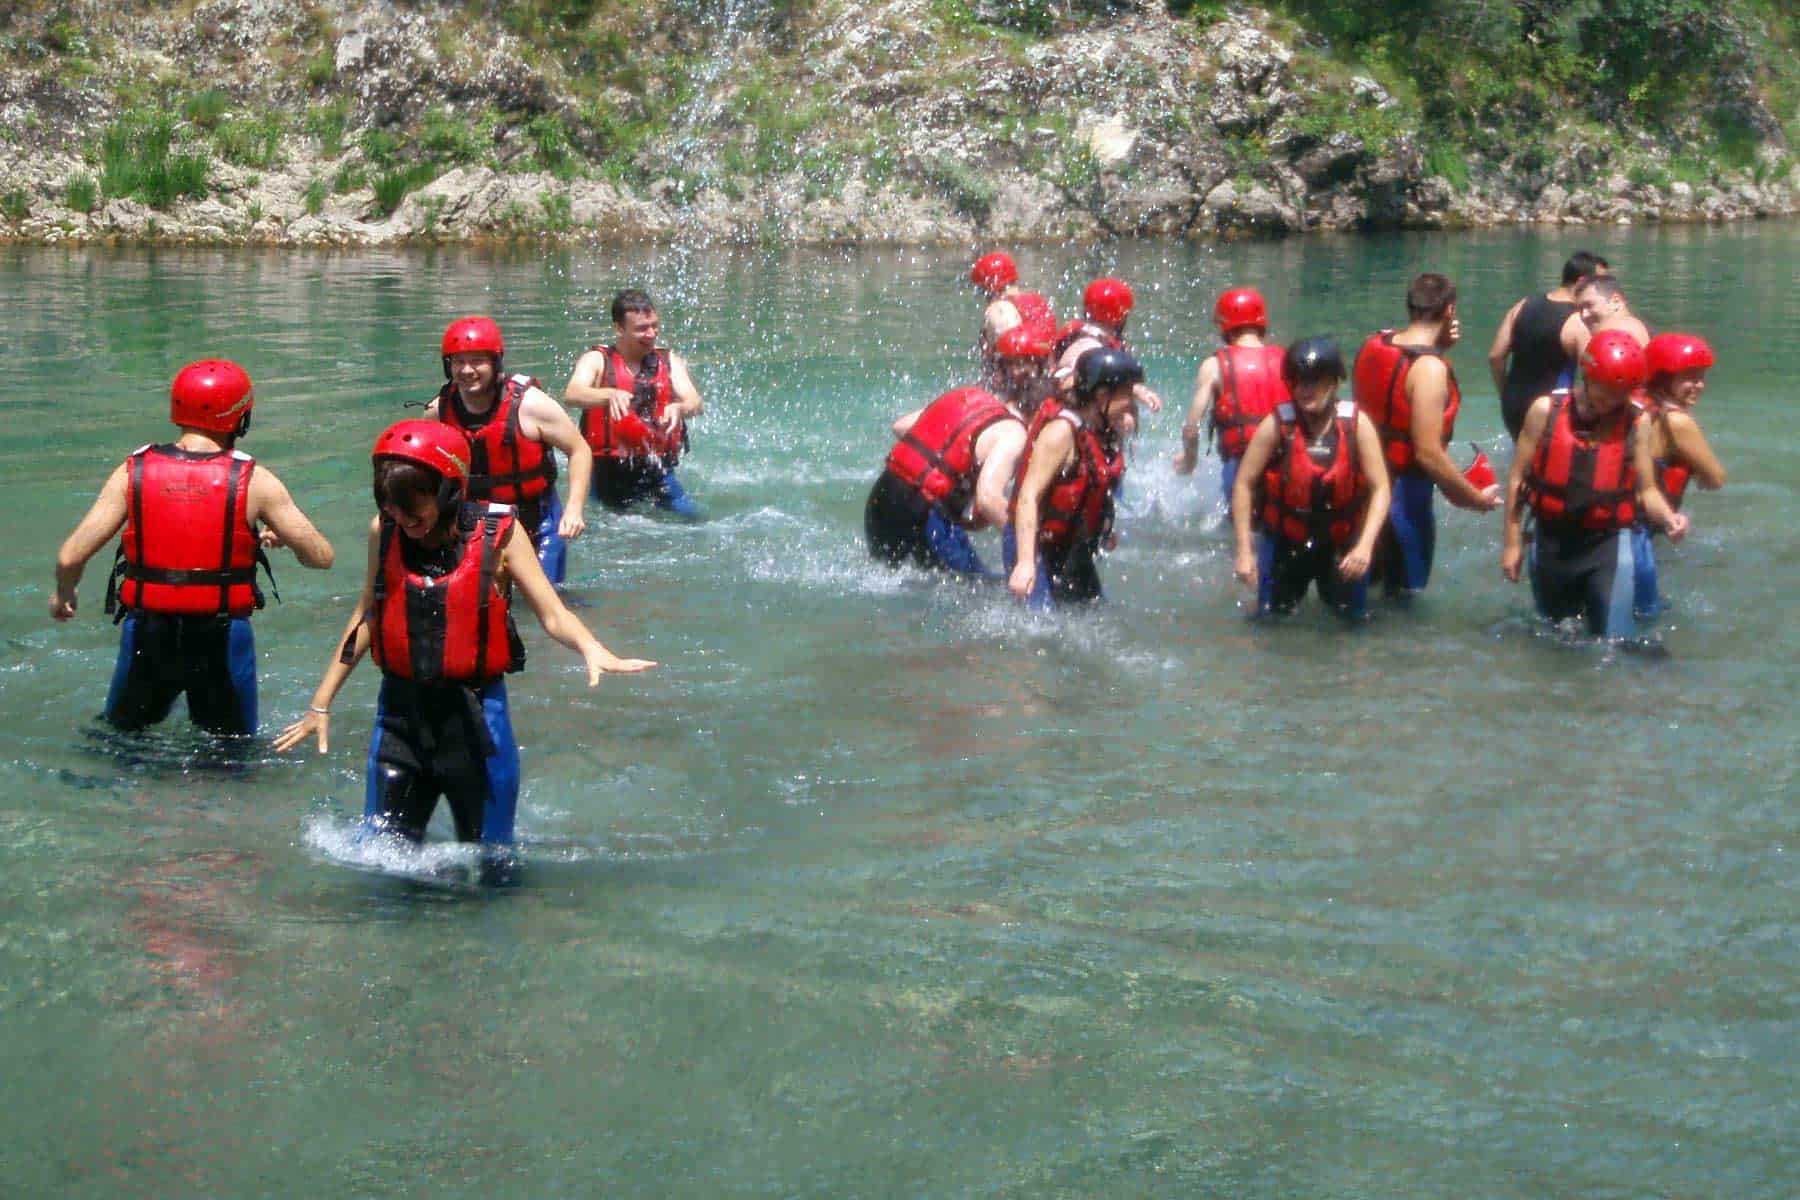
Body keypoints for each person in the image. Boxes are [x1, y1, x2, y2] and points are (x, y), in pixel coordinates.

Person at [273, 421, 653, 852]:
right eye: (390, 506)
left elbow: (552, 613)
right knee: (380, 861)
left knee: (492, 871)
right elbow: (368, 614)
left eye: (412, 509)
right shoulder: (385, 532)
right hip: (398, 723)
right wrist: (320, 704)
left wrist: (592, 647)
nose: (401, 518)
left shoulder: (500, 535)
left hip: (476, 727)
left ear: (448, 491)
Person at [51, 359, 334, 735]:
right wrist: (283, 539)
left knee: (121, 746)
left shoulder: (132, 471)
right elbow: (321, 557)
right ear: (239, 417)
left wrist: (64, 594)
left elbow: (70, 555)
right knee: (231, 761)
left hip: (147, 635)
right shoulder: (256, 482)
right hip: (222, 639)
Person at [1502, 331, 1689, 640]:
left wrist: (1670, 519)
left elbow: (1646, 490)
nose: (1612, 403)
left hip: (1608, 544)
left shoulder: (1637, 421)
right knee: (1555, 638)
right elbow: (1518, 478)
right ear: (1587, 377)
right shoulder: (1545, 410)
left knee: (1613, 642)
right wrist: (1511, 544)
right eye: (1605, 393)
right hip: (1551, 541)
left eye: (1621, 394)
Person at [1351, 272, 1500, 600]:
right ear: (1450, 310)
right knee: (1405, 601)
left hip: (1360, 486)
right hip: (1404, 497)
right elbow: (1428, 454)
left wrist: (1440, 346)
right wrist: (1473, 500)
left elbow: (1395, 386)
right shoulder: (1431, 370)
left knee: (1358, 595)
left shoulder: (1374, 343)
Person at [1231, 338, 1391, 620]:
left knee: (1351, 626)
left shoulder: (1356, 424)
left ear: (1333, 382)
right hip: (1286, 542)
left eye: (1314, 382)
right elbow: (1243, 484)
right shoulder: (1278, 425)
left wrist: (1365, 546)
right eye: (1298, 382)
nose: (1305, 390)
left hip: (1342, 545)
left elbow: (1380, 488)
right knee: (1270, 624)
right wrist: (1245, 551)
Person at [865, 326, 1045, 576]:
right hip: (920, 515)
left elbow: (902, 426)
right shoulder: (1015, 433)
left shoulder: (969, 396)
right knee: (980, 589)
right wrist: (1030, 547)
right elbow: (988, 498)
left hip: (880, 502)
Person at [426, 316, 591, 586]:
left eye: (477, 360)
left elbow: (579, 449)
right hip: (475, 526)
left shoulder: (531, 405)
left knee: (542, 605)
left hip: (539, 525)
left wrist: (574, 509)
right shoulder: (438, 412)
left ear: (495, 362)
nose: (467, 370)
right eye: (458, 361)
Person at [1004, 347, 1138, 609]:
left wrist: (1103, 527)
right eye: (1127, 395)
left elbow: (1097, 482)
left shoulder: (1103, 430)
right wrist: (1025, 563)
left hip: (1069, 543)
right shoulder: (1061, 433)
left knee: (1095, 615)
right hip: (1033, 544)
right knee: (1040, 626)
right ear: (1102, 396)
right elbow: (1028, 496)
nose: (1132, 403)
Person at [563, 289, 704, 518]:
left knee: (693, 519)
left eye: (654, 326)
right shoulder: (597, 360)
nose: (651, 334)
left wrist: (680, 407)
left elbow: (695, 402)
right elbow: (572, 393)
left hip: (657, 467)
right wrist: (608, 394)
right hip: (607, 472)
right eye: (641, 328)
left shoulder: (669, 361)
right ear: (619, 329)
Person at [1631, 332, 1727, 617]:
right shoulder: (1678, 422)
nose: (1699, 385)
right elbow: (1715, 479)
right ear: (1662, 379)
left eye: (1701, 377)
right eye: (1689, 377)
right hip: (1647, 525)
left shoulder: (1635, 409)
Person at [1173, 286, 1287, 505]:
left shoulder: (1214, 366)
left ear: (1225, 326)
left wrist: (1190, 460)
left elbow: (1191, 426)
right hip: (1285, 464)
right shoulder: (1286, 360)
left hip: (1242, 466)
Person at [1488, 250, 1608, 440]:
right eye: (1599, 285)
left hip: (1512, 407)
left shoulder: (1523, 305)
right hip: (1550, 414)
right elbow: (1594, 375)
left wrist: (1505, 394)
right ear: (1581, 282)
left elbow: (1495, 356)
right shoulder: (1577, 322)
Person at [1052, 277, 1164, 424]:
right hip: (1074, 417)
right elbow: (1068, 375)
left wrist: (1135, 389)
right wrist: (1133, 391)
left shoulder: (1089, 336)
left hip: (1070, 412)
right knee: (1127, 420)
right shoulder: (1089, 345)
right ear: (1120, 316)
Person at [973, 251, 1056, 378]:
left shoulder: (999, 310)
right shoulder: (1038, 302)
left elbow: (1012, 354)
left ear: (987, 288)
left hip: (1023, 381)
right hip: (1047, 372)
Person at [1573, 274, 1650, 348]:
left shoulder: (1614, 335)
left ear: (1616, 301)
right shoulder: (1641, 328)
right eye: (1580, 309)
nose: (1584, 315)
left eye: (1589, 305)